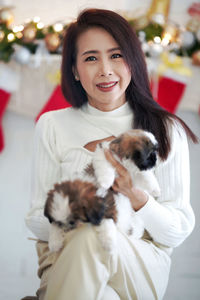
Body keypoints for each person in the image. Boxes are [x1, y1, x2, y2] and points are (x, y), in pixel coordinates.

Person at [25, 8, 198, 300]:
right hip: (63, 258)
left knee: (94, 233)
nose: (105, 69)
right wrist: (82, 209)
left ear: (133, 61)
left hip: (138, 262)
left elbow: (177, 230)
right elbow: (34, 218)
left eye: (116, 55)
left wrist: (135, 196)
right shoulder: (52, 124)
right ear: (74, 71)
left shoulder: (166, 129)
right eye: (91, 58)